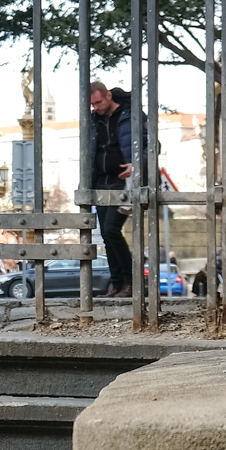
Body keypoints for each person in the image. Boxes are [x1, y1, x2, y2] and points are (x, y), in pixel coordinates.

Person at [87, 82, 137, 294]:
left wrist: (137, 165)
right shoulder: (93, 120)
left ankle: (131, 281)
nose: (96, 107)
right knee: (107, 236)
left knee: (111, 230)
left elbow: (148, 142)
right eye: (92, 104)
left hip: (122, 182)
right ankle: (117, 284)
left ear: (108, 95)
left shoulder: (129, 114)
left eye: (99, 102)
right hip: (101, 182)